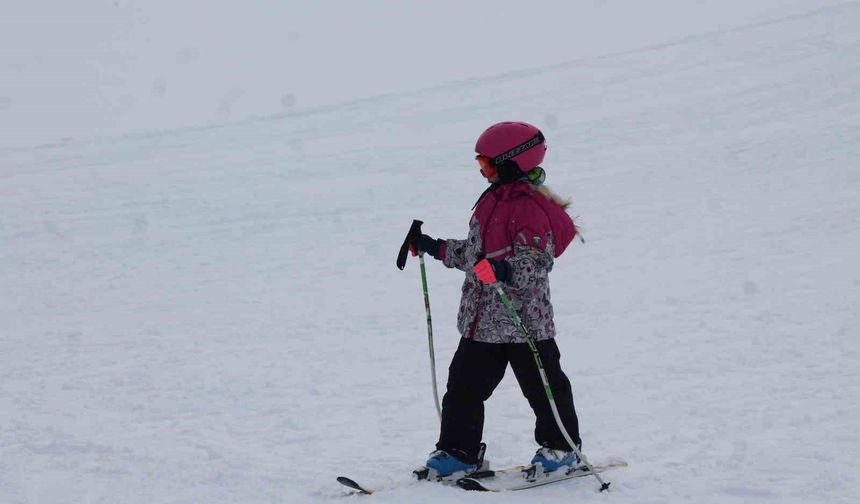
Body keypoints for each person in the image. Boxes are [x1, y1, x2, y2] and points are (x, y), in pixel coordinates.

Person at [409, 121, 583, 479]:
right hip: (481, 324)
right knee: (462, 390)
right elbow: (476, 256)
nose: (482, 172)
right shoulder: (490, 203)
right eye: (480, 164)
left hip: (524, 324)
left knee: (544, 390)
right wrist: (433, 246)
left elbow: (536, 264)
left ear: (511, 162)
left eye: (487, 164)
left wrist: (503, 270)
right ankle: (458, 452)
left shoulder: (531, 208)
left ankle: (562, 450)